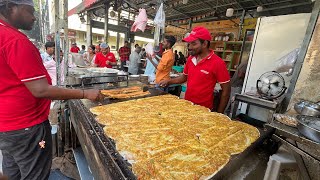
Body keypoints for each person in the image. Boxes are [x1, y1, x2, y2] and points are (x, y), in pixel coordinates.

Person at [0, 1, 104, 180]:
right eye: (30, 11)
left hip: (7, 127)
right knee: (35, 174)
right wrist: (85, 93)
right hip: (28, 130)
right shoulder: (14, 40)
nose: (34, 17)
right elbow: (40, 90)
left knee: (13, 171)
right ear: (11, 7)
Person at [159, 27, 231, 112]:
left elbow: (226, 91)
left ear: (204, 44)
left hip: (204, 109)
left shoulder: (218, 63)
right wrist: (168, 81)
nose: (189, 47)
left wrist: (220, 113)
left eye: (193, 44)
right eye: (189, 44)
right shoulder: (190, 59)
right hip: (188, 105)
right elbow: (184, 78)